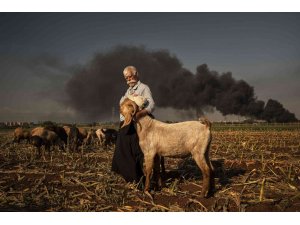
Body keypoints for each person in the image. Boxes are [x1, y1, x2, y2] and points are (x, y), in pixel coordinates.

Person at [111, 65, 155, 183]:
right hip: (127, 122)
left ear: (136, 74)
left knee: (136, 150)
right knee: (122, 145)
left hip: (139, 123)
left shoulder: (144, 88)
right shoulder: (128, 91)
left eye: (130, 76)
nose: (129, 79)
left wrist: (140, 113)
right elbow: (123, 105)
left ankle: (139, 178)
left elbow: (151, 105)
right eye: (126, 78)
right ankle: (129, 175)